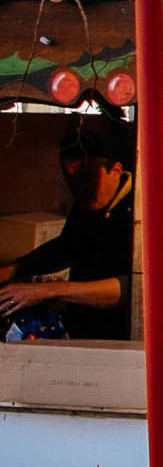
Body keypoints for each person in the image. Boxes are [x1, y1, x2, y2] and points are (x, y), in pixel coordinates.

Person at [0, 117, 136, 339]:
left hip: (128, 339)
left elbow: (131, 288)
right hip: (87, 333)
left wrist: (48, 291)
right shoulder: (87, 206)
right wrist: (13, 270)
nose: (77, 187)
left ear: (116, 170)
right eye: (69, 178)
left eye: (86, 177)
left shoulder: (141, 214)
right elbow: (68, 247)